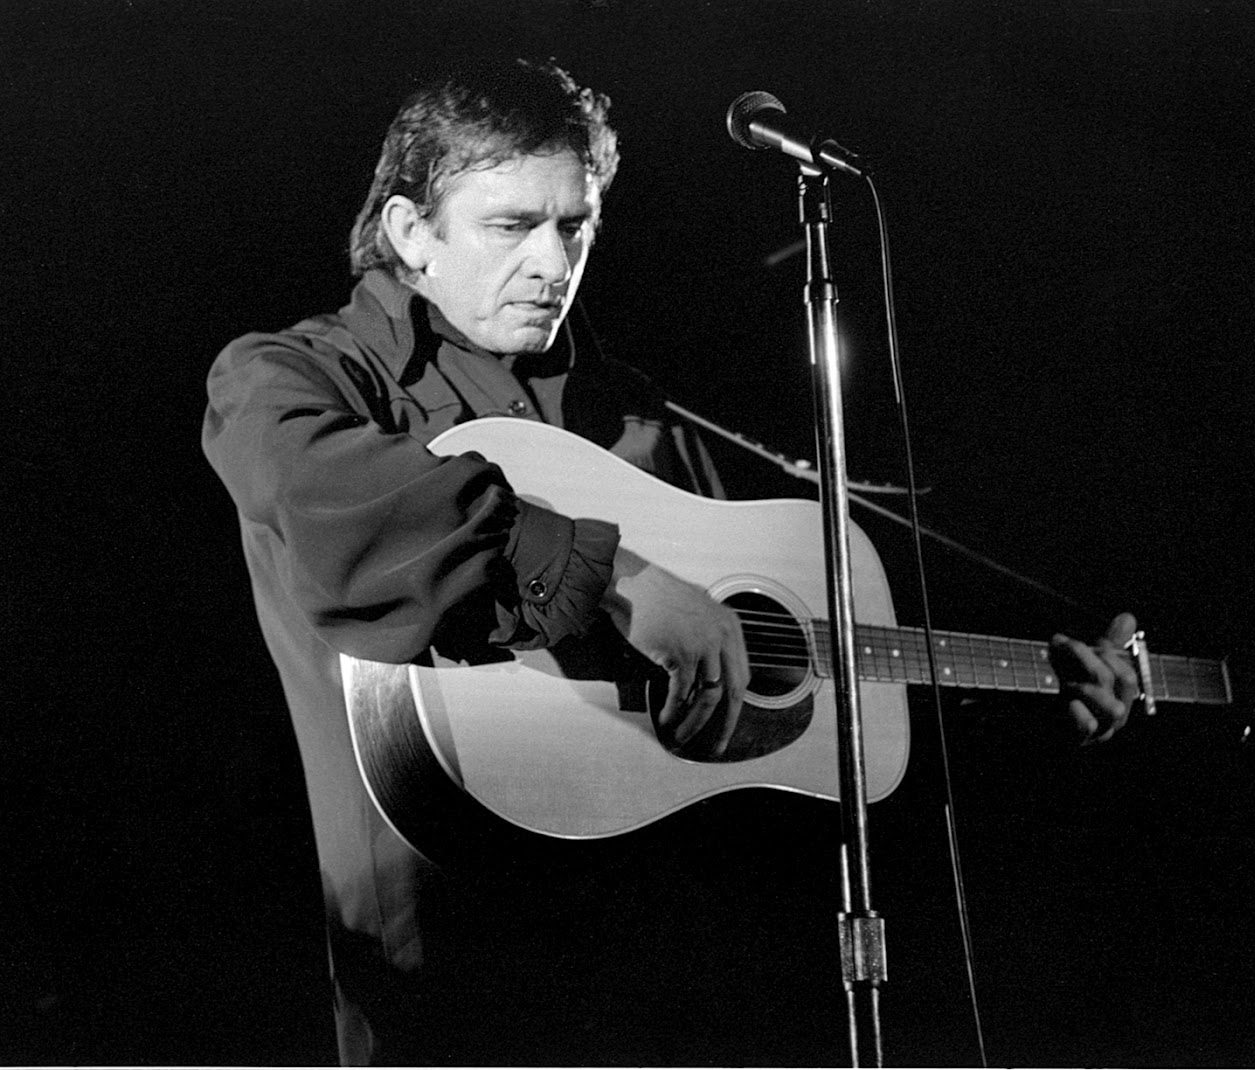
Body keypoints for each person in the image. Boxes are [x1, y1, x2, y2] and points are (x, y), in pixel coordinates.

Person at [202, 57, 1139, 1065]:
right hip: (452, 980)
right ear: (409, 232)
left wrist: (1031, 690)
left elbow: (805, 667)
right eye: (512, 225)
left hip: (660, 979)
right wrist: (625, 581)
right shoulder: (288, 377)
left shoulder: (633, 416)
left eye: (575, 226)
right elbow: (333, 503)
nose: (553, 262)